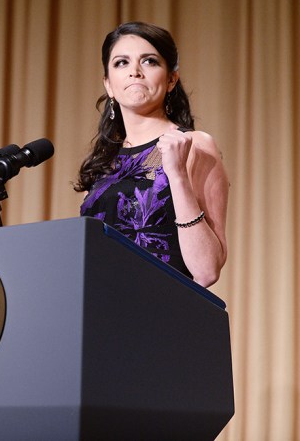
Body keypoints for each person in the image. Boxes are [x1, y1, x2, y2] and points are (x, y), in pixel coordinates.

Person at [76, 21, 229, 288]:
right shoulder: (105, 163)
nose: (135, 72)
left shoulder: (194, 144)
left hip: (161, 310)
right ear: (109, 85)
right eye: (121, 63)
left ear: (171, 80)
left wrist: (178, 175)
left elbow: (207, 270)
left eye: (149, 61)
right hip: (100, 312)